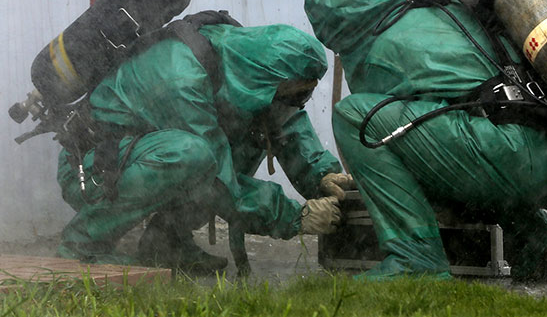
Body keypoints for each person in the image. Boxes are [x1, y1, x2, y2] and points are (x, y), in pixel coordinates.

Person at [303, 0, 547, 281]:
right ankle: (534, 237)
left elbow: (392, 152)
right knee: (469, 131)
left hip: (513, 159)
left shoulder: (379, 46)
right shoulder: (444, 6)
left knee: (356, 118)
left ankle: (415, 257)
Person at [56, 19, 354, 273]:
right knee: (194, 156)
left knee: (236, 137)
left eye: (304, 98)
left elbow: (280, 118)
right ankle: (82, 245)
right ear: (270, 79)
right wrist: (294, 217)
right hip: (93, 169)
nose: (298, 105)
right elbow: (217, 182)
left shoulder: (246, 66)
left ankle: (166, 245)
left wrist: (322, 175)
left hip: (137, 156)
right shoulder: (181, 76)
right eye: (296, 96)